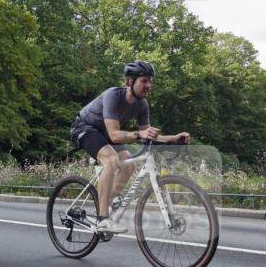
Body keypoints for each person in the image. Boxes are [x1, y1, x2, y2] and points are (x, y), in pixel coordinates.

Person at [69, 60, 189, 234]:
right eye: (144, 81)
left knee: (129, 165)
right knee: (111, 160)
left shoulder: (142, 105)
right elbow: (114, 135)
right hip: (85, 128)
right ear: (130, 82)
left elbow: (147, 134)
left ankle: (105, 207)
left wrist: (173, 139)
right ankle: (103, 219)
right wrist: (140, 135)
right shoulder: (113, 96)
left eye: (150, 81)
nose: (149, 85)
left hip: (106, 133)